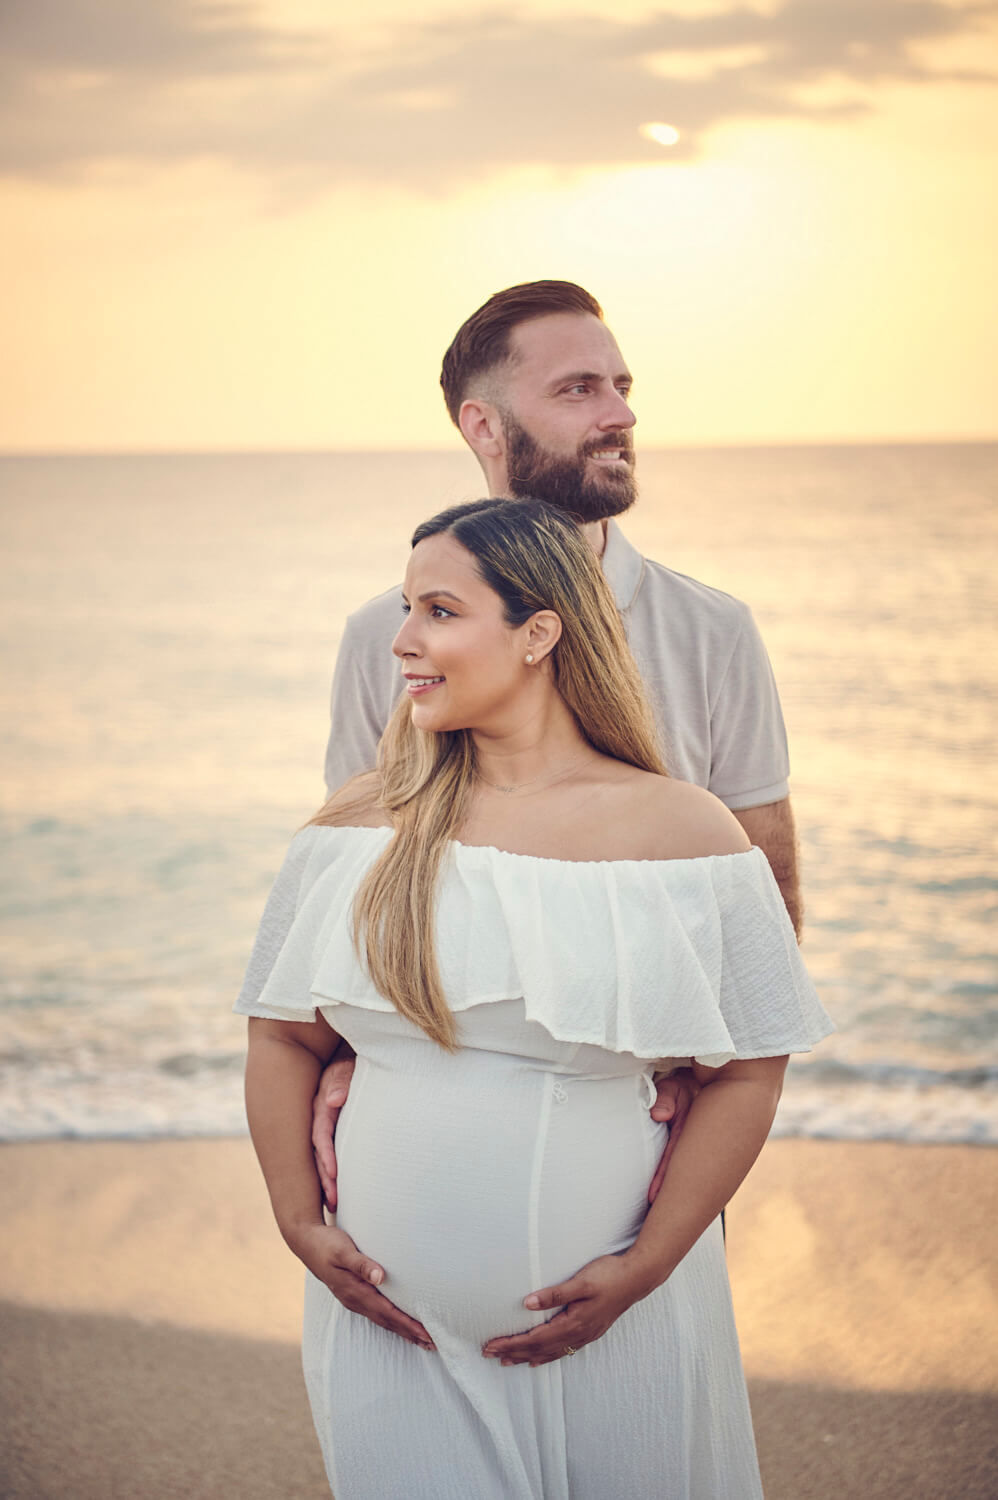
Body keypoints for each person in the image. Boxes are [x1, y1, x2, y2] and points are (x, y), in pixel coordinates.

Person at [237, 497, 831, 1499]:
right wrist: (298, 1222)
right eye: (405, 608)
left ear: (537, 632)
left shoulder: (680, 832)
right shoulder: (355, 825)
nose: (401, 641)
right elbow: (282, 1037)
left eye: (436, 610)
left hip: (622, 1327)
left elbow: (750, 1064)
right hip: (390, 1337)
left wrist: (645, 1267)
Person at [313, 279, 799, 1212]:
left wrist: (713, 1081)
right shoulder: (384, 637)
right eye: (579, 390)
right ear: (483, 426)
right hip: (415, 1133)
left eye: (620, 385)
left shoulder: (712, 630)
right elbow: (356, 884)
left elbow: (764, 886)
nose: (620, 414)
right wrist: (346, 1055)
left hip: (638, 1141)